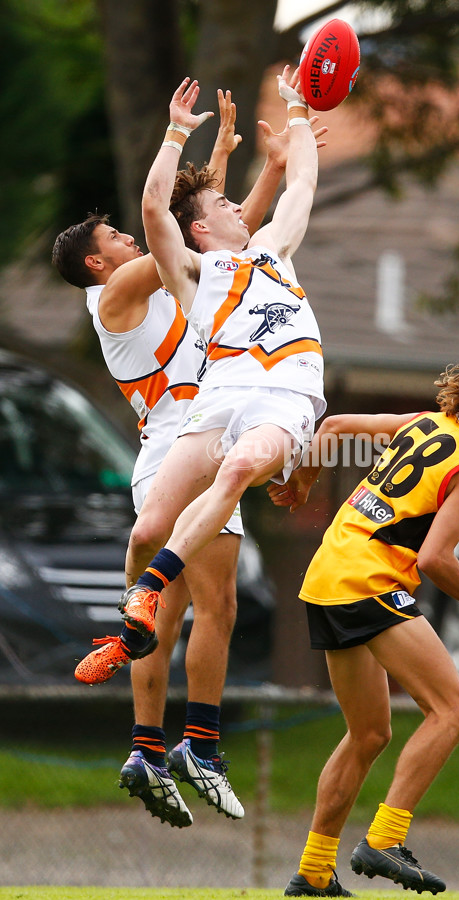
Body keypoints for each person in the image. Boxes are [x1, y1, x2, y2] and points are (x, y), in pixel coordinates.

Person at [52, 91, 325, 828]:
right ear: (93, 262)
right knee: (180, 603)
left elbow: (227, 239)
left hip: (217, 427)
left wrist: (248, 168)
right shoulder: (113, 297)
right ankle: (165, 736)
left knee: (211, 605)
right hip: (180, 440)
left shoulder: (180, 287)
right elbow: (180, 229)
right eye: (113, 239)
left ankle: (164, 743)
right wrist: (210, 161)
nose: (128, 244)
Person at [266, 350, 459, 897]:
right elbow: (435, 560)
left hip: (327, 574)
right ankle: (385, 838)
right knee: (454, 709)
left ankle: (312, 872)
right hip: (370, 582)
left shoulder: (426, 424)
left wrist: (304, 480)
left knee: (369, 733)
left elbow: (336, 427)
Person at [86, 68, 326, 658]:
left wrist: (298, 112)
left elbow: (302, 189)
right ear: (200, 227)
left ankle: (153, 585)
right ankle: (132, 626)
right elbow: (152, 210)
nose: (239, 208)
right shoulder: (193, 272)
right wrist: (174, 133)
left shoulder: (272, 249)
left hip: (284, 396)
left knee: (240, 468)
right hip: (220, 397)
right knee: (145, 530)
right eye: (224, 202)